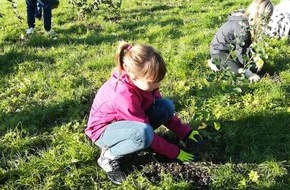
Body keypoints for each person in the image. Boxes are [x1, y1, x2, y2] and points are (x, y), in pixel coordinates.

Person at [86, 41, 201, 185]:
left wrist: (185, 132)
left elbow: (157, 105)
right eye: (153, 82)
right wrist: (174, 152)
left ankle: (137, 140)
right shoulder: (124, 95)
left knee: (166, 106)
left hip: (127, 121)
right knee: (144, 134)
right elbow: (146, 131)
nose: (157, 85)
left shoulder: (145, 82)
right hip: (103, 132)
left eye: (159, 81)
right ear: (134, 77)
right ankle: (108, 157)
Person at [208, 0, 274, 82]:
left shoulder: (249, 20)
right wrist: (248, 72)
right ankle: (214, 63)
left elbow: (247, 46)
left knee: (254, 67)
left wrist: (254, 59)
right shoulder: (242, 27)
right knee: (236, 73)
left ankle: (233, 64)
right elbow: (241, 51)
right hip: (218, 51)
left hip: (231, 50)